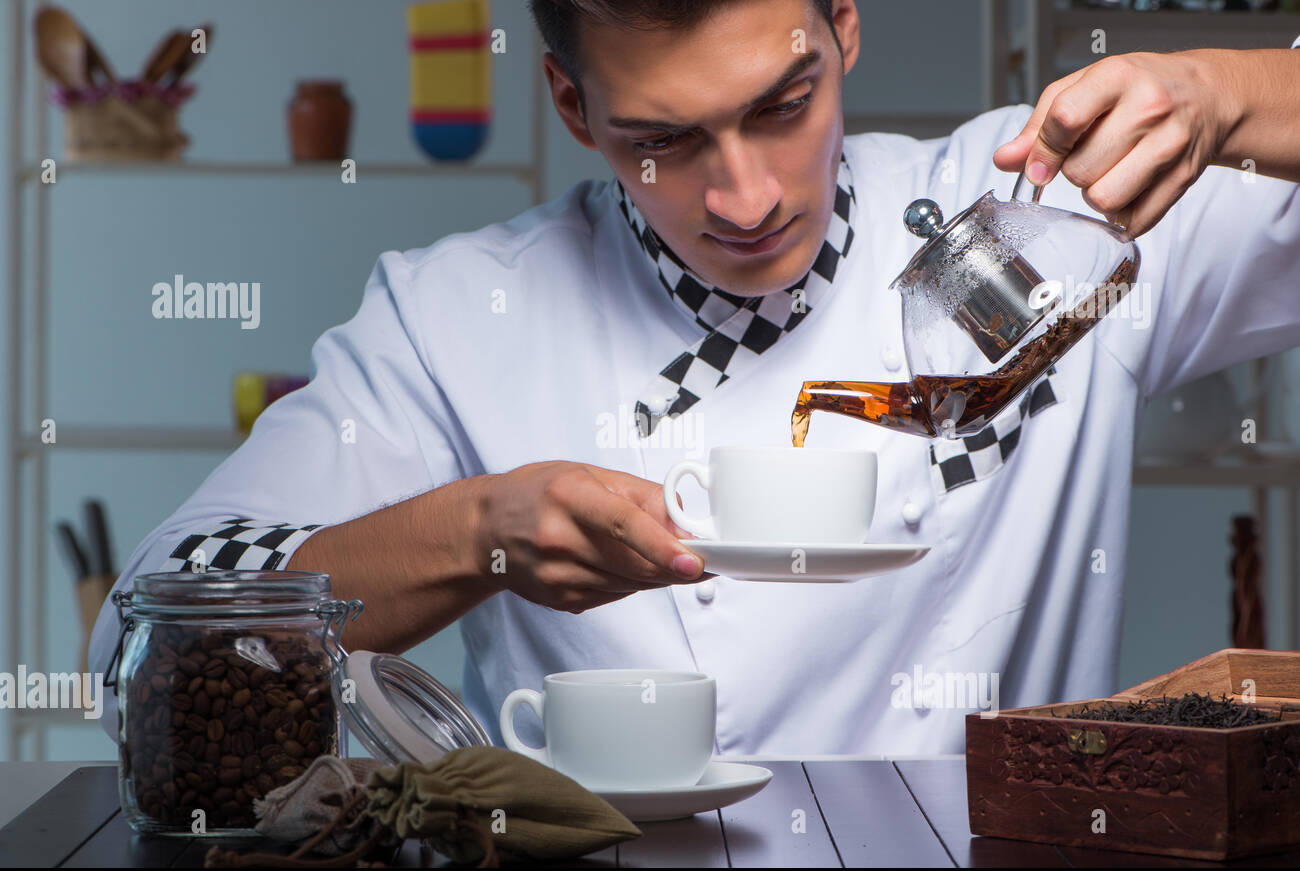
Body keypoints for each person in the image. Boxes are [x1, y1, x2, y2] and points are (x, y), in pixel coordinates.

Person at [90, 0, 1300, 755]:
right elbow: (138, 648)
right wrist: (473, 534)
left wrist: (1229, 91)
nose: (746, 195)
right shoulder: (456, 314)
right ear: (570, 102)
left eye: (783, 103)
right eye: (660, 141)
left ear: (843, 24)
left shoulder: (1035, 212)